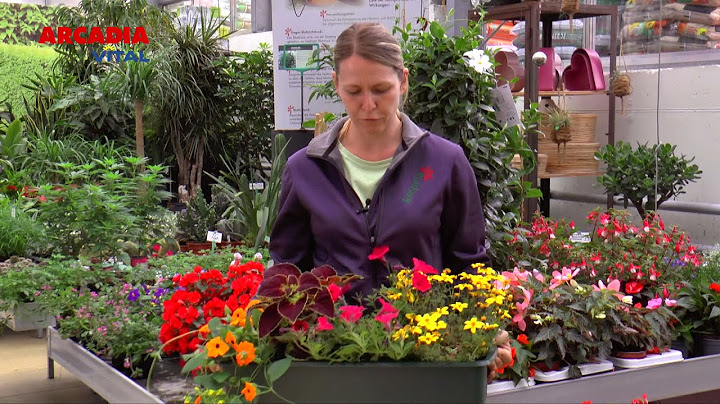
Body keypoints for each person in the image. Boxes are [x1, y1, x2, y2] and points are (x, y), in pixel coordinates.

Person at [269, 21, 512, 375]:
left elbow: (467, 264)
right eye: (354, 91)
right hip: (334, 361)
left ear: (404, 81)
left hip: (423, 359)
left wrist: (483, 336)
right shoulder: (305, 169)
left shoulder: (443, 163)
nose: (368, 104)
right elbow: (287, 269)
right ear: (336, 86)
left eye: (381, 89)